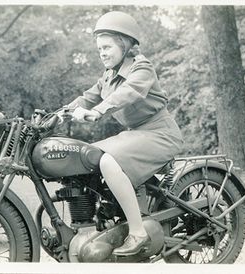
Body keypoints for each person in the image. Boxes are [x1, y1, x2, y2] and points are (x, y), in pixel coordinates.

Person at [67, 11, 183, 256]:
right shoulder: (108, 77)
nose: (103, 53)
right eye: (99, 49)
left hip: (160, 133)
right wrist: (58, 114)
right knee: (88, 156)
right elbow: (86, 98)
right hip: (136, 134)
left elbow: (130, 92)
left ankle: (138, 233)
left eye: (107, 47)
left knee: (109, 160)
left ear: (125, 44)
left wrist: (99, 111)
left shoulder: (142, 67)